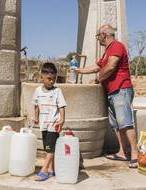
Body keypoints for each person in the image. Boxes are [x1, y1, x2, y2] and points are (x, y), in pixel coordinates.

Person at [75, 24, 138, 168]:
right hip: (112, 92)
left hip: (121, 89)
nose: (97, 39)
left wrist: (97, 79)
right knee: (116, 125)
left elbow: (110, 67)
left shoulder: (116, 46)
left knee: (126, 123)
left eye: (98, 36)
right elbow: (98, 66)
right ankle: (123, 152)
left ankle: (135, 155)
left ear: (104, 35)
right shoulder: (107, 51)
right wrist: (80, 70)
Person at [32, 62, 67, 181]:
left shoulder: (57, 91)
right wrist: (36, 118)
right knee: (47, 147)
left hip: (54, 124)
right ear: (42, 76)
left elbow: (61, 106)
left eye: (53, 79)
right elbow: (36, 106)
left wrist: (62, 120)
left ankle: (44, 170)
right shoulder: (38, 91)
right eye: (49, 79)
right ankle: (51, 170)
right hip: (43, 124)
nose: (51, 81)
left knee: (50, 148)